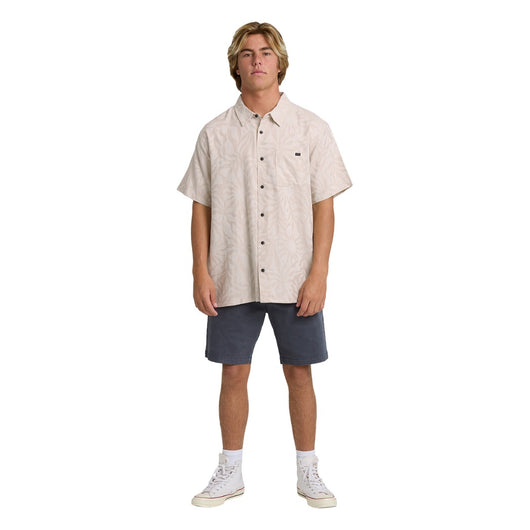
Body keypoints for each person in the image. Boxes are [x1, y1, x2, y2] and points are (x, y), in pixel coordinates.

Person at [177, 21, 352, 508]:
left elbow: (324, 206)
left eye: (266, 52)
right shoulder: (214, 134)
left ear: (280, 63)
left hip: (295, 276)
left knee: (300, 373)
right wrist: (199, 270)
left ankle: (308, 471)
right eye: (248, 53)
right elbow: (201, 207)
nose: (257, 60)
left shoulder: (311, 129)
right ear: (236, 65)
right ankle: (229, 472)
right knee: (233, 373)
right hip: (231, 273)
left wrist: (319, 274)